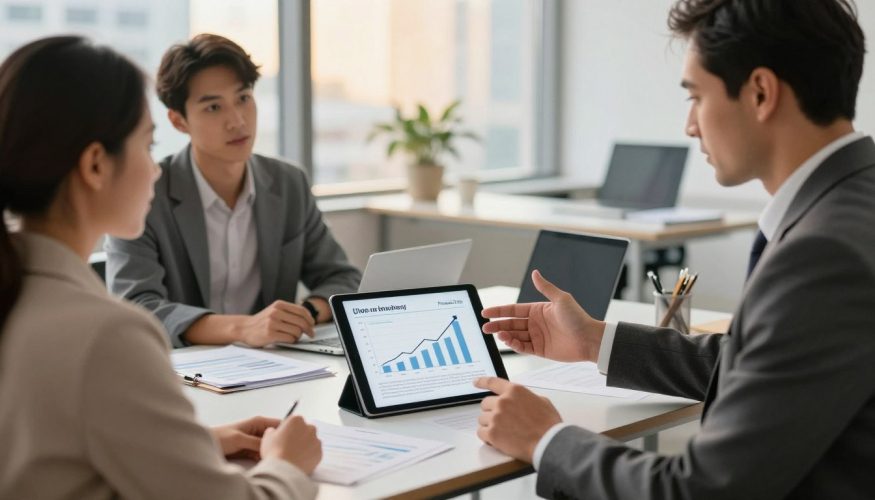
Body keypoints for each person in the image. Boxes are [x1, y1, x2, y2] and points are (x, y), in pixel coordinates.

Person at [473, 0, 875, 498]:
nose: (690, 125)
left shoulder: (823, 253)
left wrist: (546, 440)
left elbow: (702, 491)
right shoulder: (853, 203)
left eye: (696, 96)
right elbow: (769, 365)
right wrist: (595, 342)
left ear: (760, 93)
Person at [0, 36, 322, 498]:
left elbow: (53, 451)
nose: (155, 170)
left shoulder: (19, 295)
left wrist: (199, 444)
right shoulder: (109, 336)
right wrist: (288, 465)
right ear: (95, 165)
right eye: (147, 145)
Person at [105, 33, 361, 348]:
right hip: (184, 372)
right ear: (178, 121)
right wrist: (243, 329)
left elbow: (343, 279)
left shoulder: (288, 183)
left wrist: (303, 313)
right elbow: (136, 306)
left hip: (275, 365)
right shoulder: (143, 193)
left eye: (243, 98)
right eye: (214, 107)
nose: (237, 121)